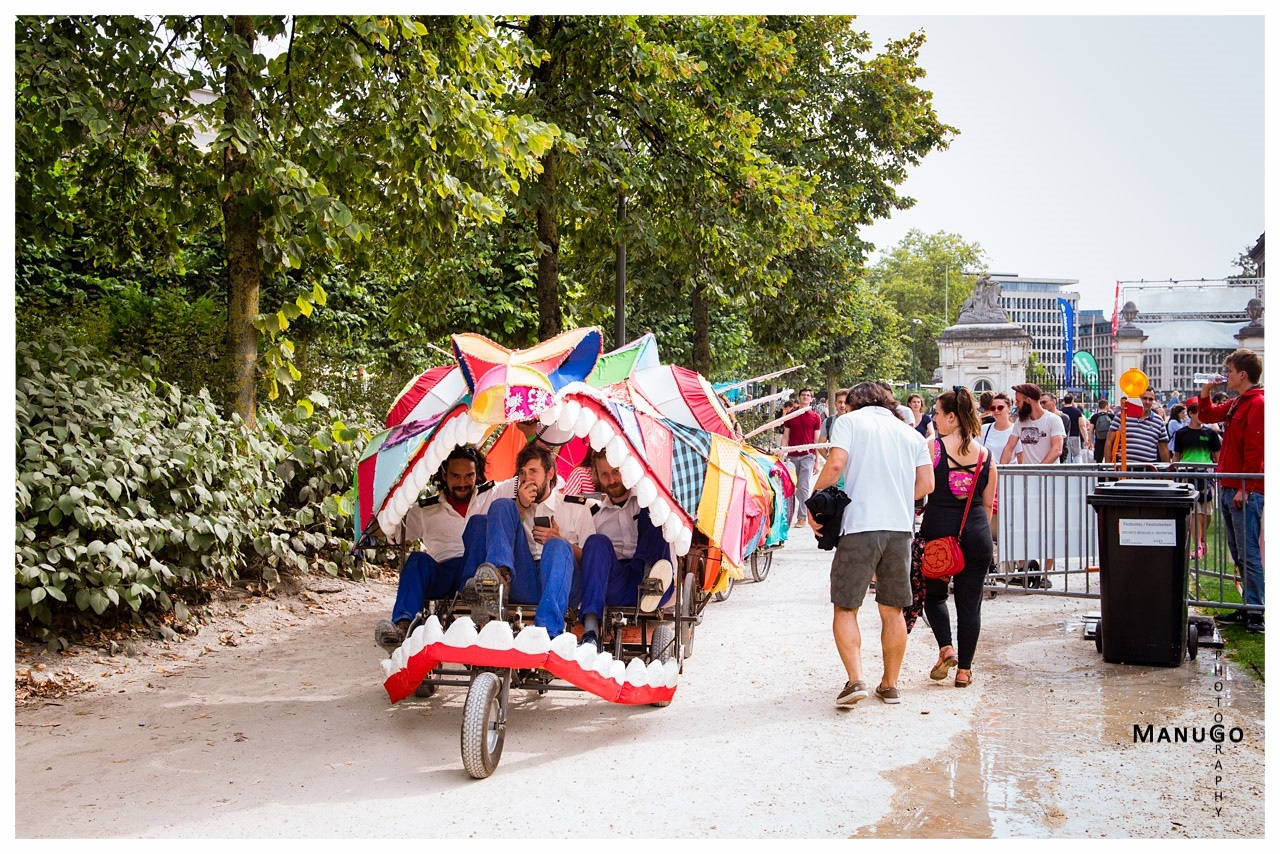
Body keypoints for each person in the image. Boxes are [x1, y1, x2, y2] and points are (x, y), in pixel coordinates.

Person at [808, 381, 933, 707]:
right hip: (900, 530)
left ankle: (856, 680)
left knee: (846, 606)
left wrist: (813, 504)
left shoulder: (850, 422)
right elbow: (926, 484)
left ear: (853, 403)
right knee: (893, 610)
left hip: (860, 527)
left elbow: (835, 464)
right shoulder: (912, 434)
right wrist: (895, 498)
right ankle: (890, 685)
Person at [374, 446, 514, 650]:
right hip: (442, 571)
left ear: (477, 475)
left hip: (477, 574)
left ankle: (476, 594)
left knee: (479, 523)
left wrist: (531, 433)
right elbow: (388, 531)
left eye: (469, 476)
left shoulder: (492, 493)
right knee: (416, 560)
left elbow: (529, 478)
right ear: (444, 475)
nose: (463, 482)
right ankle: (403, 627)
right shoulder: (426, 510)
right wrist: (388, 501)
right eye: (455, 476)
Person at [467, 442, 595, 637]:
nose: (527, 478)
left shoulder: (575, 507)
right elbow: (500, 534)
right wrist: (519, 506)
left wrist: (561, 540)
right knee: (502, 505)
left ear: (550, 474)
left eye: (533, 471)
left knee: (557, 545)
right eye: (522, 473)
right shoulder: (514, 506)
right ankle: (499, 581)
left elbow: (590, 561)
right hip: (524, 580)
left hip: (563, 584)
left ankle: (547, 633)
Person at [920, 387, 997, 688]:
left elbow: (922, 487)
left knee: (935, 596)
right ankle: (964, 670)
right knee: (970, 604)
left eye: (937, 413)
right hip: (977, 533)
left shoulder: (932, 448)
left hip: (940, 532)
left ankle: (946, 647)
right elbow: (989, 504)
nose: (934, 418)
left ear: (951, 416)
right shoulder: (987, 456)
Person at [576, 450, 675, 651]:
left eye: (615, 472)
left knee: (654, 509)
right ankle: (591, 632)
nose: (611, 480)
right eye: (605, 475)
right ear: (597, 476)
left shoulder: (645, 500)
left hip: (652, 579)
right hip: (618, 581)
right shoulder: (596, 516)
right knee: (595, 541)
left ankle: (651, 582)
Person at [1197, 349, 1264, 633]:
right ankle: (1249, 605)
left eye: (1230, 370)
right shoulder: (1240, 402)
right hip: (1230, 485)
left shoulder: (1257, 404)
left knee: (1247, 552)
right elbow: (1206, 414)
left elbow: (1256, 450)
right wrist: (1205, 392)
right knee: (1238, 551)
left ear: (1243, 374)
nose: (1227, 375)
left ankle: (1257, 611)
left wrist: (1244, 486)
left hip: (1242, 488)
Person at [1172, 399, 1221, 559]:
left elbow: (1217, 456)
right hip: (1187, 474)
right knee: (1194, 510)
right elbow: (1177, 456)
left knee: (1206, 512)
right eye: (1198, 412)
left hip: (1205, 475)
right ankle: (1198, 545)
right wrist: (1174, 472)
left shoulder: (1210, 434)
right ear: (1191, 414)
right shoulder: (1181, 433)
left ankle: (1201, 540)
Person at [782, 387, 823, 526]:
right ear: (799, 397)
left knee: (803, 486)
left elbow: (817, 440)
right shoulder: (790, 415)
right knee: (792, 487)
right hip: (792, 456)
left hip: (808, 455)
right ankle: (789, 516)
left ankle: (802, 517)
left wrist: (817, 461)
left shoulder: (815, 417)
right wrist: (782, 456)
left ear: (811, 399)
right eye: (803, 395)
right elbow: (785, 436)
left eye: (808, 395)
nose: (805, 397)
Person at [1001, 383, 1064, 465]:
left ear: (1028, 401)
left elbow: (1057, 449)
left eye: (1018, 401)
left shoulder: (1053, 420)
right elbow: (1009, 447)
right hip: (1028, 475)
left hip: (1049, 475)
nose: (1016, 404)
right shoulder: (1020, 422)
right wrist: (1000, 470)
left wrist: (1038, 471)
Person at [1104, 388, 1169, 465]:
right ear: (1138, 399)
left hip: (1148, 471)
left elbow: (1164, 449)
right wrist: (1108, 467)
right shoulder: (1121, 416)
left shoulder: (1158, 421)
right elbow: (1109, 442)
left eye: (1150, 399)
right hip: (1123, 469)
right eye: (1144, 398)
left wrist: (1167, 471)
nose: (1147, 402)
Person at [819, 389, 848, 460]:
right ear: (835, 403)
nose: (842, 405)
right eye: (840, 402)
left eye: (845, 402)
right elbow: (820, 445)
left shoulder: (856, 421)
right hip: (835, 464)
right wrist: (829, 460)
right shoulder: (828, 421)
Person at [1060, 394, 1088, 463]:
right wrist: (1085, 438)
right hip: (1075, 435)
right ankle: (1078, 469)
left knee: (1068, 454)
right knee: (1077, 454)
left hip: (1064, 436)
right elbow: (1081, 425)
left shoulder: (1060, 412)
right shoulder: (1077, 411)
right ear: (1072, 401)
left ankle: (1068, 469)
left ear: (1064, 401)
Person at [1089, 399, 1114, 464]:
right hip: (1109, 441)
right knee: (1109, 459)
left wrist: (1090, 442)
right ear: (1106, 406)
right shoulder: (1111, 416)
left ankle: (1100, 472)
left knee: (1099, 460)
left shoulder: (1094, 417)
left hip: (1098, 440)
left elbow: (1091, 430)